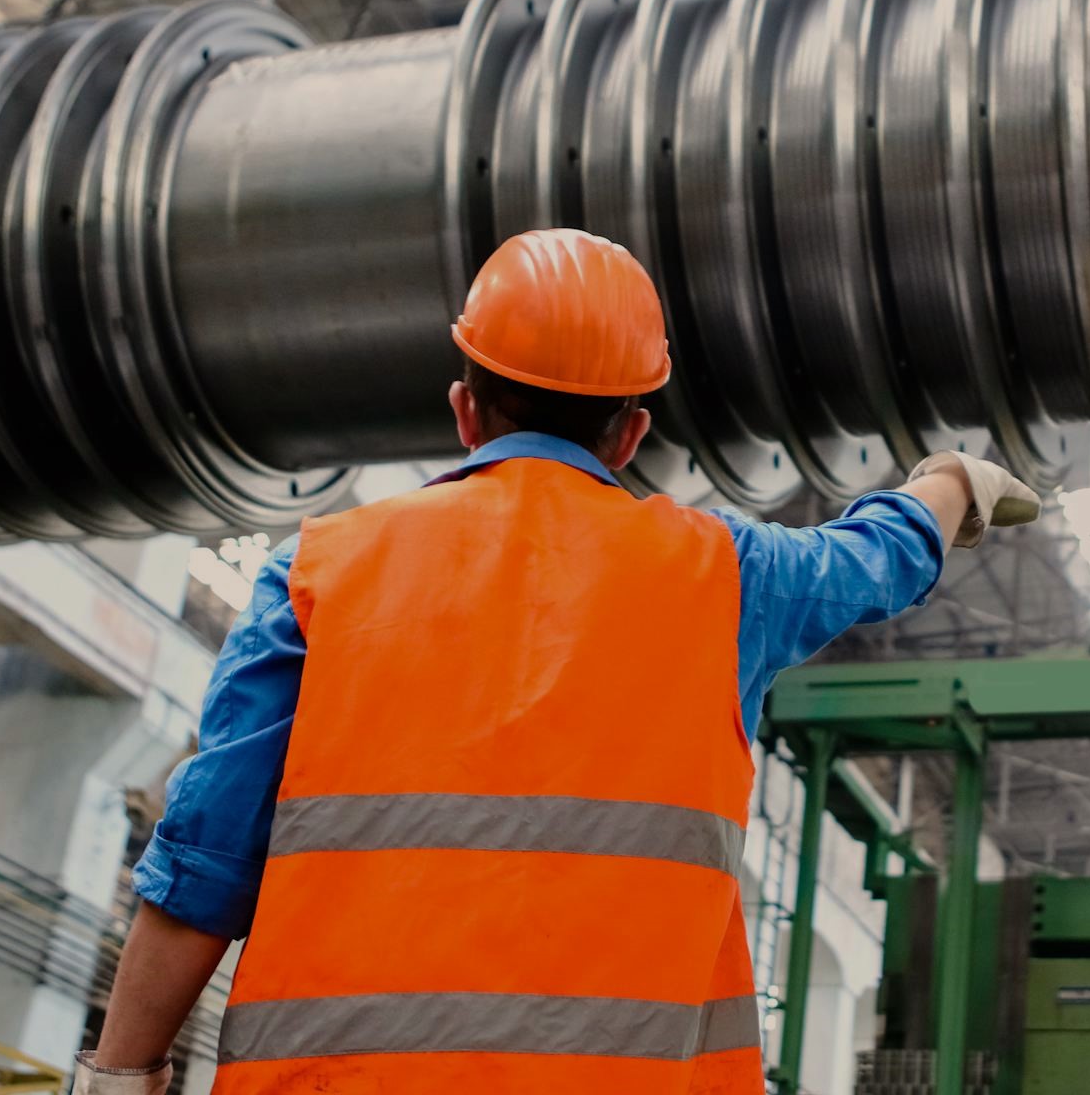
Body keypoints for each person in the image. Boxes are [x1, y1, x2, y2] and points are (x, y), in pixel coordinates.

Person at [74, 228, 1040, 1094]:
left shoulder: (320, 571)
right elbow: (879, 558)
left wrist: (121, 1080)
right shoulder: (727, 577)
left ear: (464, 408)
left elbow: (201, 867)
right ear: (631, 433)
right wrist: (950, 481)